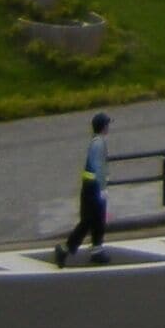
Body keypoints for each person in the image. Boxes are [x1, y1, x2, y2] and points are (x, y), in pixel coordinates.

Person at [54, 111, 112, 267]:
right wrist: (102, 188)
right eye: (107, 124)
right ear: (103, 126)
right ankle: (65, 249)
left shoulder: (97, 141)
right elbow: (98, 166)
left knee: (96, 220)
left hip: (91, 187)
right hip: (93, 188)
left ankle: (96, 250)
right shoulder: (99, 143)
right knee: (89, 221)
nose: (109, 127)